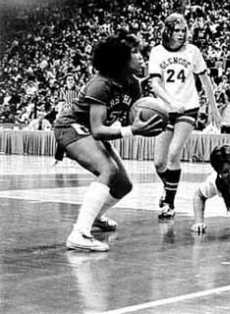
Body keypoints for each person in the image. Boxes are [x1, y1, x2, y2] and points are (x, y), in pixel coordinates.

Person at [53, 32, 164, 251]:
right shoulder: (101, 84)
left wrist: (146, 123)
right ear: (119, 58)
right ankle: (79, 234)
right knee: (107, 170)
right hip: (71, 127)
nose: (142, 57)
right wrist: (132, 130)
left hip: (91, 131)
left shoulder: (134, 86)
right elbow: (97, 129)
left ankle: (96, 216)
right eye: (134, 52)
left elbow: (118, 122)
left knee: (124, 185)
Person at [149, 13, 221, 219]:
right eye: (177, 31)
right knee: (159, 163)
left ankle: (169, 204)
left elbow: (206, 81)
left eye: (183, 30)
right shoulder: (157, 52)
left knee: (173, 154)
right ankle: (168, 189)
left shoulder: (193, 51)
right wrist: (170, 102)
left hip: (188, 109)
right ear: (168, 32)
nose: (181, 34)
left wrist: (213, 108)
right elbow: (154, 84)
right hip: (166, 109)